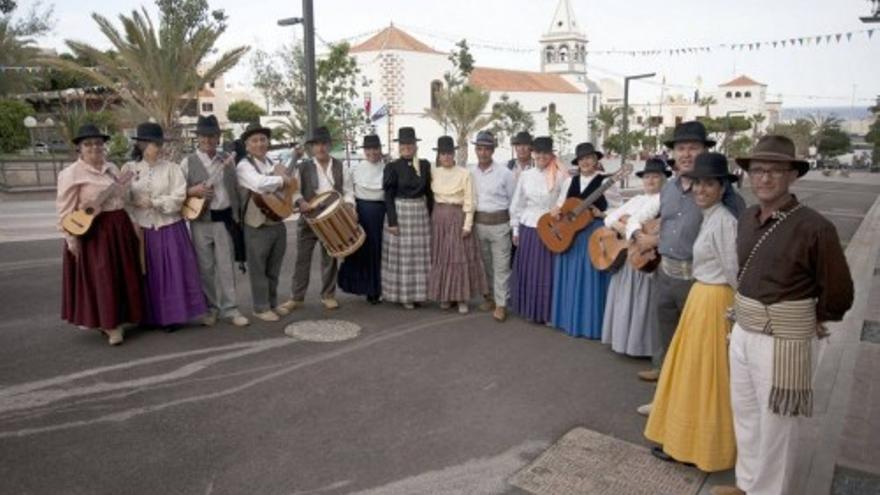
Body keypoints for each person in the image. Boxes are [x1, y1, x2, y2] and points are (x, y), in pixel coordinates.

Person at [710, 136, 854, 495]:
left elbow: (839, 291)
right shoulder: (746, 219)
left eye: (775, 170)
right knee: (745, 415)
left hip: (783, 340)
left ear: (793, 176)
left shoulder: (815, 227)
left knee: (777, 426)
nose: (765, 178)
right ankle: (747, 484)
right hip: (743, 329)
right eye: (757, 170)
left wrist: (807, 316)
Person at [632, 121, 745, 410]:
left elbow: (732, 241)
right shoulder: (669, 188)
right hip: (665, 272)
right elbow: (668, 225)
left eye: (693, 148)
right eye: (680, 148)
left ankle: (689, 408)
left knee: (695, 350)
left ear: (704, 150)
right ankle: (663, 401)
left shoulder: (721, 194)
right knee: (667, 339)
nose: (685, 154)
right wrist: (650, 239)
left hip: (698, 281)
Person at [644, 152, 740, 472]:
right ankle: (684, 441)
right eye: (698, 184)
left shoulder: (724, 221)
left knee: (705, 379)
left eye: (709, 184)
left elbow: (734, 273)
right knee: (691, 374)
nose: (700, 190)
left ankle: (700, 447)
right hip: (702, 297)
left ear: (722, 187)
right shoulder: (711, 216)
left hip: (714, 302)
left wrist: (734, 315)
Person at [57, 124, 144, 346]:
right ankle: (109, 324)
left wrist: (126, 195)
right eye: (88, 144)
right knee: (103, 277)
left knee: (123, 274)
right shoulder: (70, 174)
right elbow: (65, 210)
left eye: (98, 143)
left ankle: (125, 317)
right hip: (94, 230)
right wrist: (71, 239)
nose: (94, 147)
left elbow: (122, 198)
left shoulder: (112, 168)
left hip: (119, 225)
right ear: (79, 148)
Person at [123, 122, 207, 330]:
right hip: (143, 228)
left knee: (172, 273)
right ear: (141, 144)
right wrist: (131, 205)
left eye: (159, 143)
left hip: (169, 226)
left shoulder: (172, 168)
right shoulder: (129, 169)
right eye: (152, 143)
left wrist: (155, 202)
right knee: (148, 273)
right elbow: (122, 199)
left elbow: (179, 198)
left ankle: (173, 316)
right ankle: (148, 316)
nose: (157, 147)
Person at [180, 115, 249, 327]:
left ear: (218, 137)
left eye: (212, 136)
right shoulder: (187, 162)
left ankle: (231, 308)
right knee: (206, 268)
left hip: (224, 219)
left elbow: (236, 188)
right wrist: (193, 190)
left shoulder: (227, 160)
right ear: (198, 138)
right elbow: (177, 191)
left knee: (226, 267)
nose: (208, 140)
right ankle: (211, 308)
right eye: (204, 136)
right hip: (200, 221)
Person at [548, 142, 620, 338]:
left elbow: (618, 209)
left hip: (594, 234)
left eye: (589, 158)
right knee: (571, 275)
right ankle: (569, 320)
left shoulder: (607, 181)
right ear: (578, 163)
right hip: (572, 235)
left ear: (596, 160)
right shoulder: (570, 182)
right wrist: (556, 211)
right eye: (582, 159)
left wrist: (602, 213)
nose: (586, 162)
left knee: (592, 277)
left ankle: (593, 324)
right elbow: (561, 205)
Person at [601, 157, 670, 356]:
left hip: (644, 256)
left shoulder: (663, 200)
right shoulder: (637, 199)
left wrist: (634, 228)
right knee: (624, 299)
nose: (650, 181)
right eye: (647, 177)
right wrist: (622, 226)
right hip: (626, 255)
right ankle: (622, 342)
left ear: (663, 179)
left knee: (644, 302)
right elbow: (609, 218)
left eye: (655, 177)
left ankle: (642, 347)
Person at [279, 126, 348, 312]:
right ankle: (296, 297)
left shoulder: (341, 166)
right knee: (302, 259)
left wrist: (350, 208)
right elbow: (294, 190)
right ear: (311, 147)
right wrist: (300, 202)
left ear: (330, 145)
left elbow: (348, 192)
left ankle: (328, 295)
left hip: (332, 219)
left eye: (324, 144)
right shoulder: (303, 167)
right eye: (316, 144)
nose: (320, 148)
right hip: (309, 218)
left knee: (329, 259)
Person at [235, 123, 296, 322]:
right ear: (247, 145)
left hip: (277, 221)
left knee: (274, 268)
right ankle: (260, 308)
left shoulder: (272, 162)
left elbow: (288, 185)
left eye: (263, 139)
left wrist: (283, 178)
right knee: (258, 268)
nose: (260, 143)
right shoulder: (244, 165)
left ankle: (272, 303)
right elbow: (259, 184)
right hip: (256, 224)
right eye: (255, 140)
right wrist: (281, 180)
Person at [428, 135, 487, 313]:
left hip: (457, 217)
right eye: (442, 154)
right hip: (439, 218)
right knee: (442, 258)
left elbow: (470, 200)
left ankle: (462, 298)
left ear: (454, 154)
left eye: (449, 153)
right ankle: (446, 296)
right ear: (438, 156)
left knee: (458, 258)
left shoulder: (464, 173)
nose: (446, 157)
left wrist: (467, 225)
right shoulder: (433, 172)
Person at [509, 136, 564, 323]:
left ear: (551, 154)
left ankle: (548, 312)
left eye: (545, 153)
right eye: (538, 152)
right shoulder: (526, 175)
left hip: (551, 228)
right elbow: (518, 203)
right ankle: (530, 310)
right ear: (533, 154)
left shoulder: (561, 175)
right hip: (530, 227)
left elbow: (565, 202)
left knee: (547, 272)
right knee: (530, 270)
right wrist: (515, 229)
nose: (541, 156)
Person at [382, 127, 433, 309]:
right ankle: (405, 296)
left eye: (410, 144)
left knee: (420, 256)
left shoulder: (425, 165)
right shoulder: (392, 167)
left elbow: (429, 193)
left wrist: (431, 216)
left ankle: (420, 294)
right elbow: (388, 196)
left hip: (420, 215)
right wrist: (392, 222)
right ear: (399, 146)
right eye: (403, 144)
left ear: (415, 145)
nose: (407, 147)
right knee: (403, 258)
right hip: (401, 213)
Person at [469, 130, 517, 321]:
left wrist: (513, 226)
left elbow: (514, 201)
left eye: (486, 149)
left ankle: (502, 305)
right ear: (475, 150)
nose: (483, 153)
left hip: (500, 225)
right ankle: (490, 298)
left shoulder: (505, 173)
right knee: (485, 265)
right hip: (479, 225)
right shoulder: (470, 172)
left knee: (502, 267)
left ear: (493, 150)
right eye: (479, 149)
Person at [338, 134, 387, 304]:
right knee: (363, 252)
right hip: (362, 214)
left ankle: (378, 289)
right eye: (369, 149)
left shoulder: (387, 169)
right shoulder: (355, 170)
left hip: (382, 214)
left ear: (381, 150)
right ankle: (366, 289)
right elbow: (348, 192)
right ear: (364, 151)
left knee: (380, 253)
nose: (372, 152)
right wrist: (352, 208)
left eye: (375, 148)